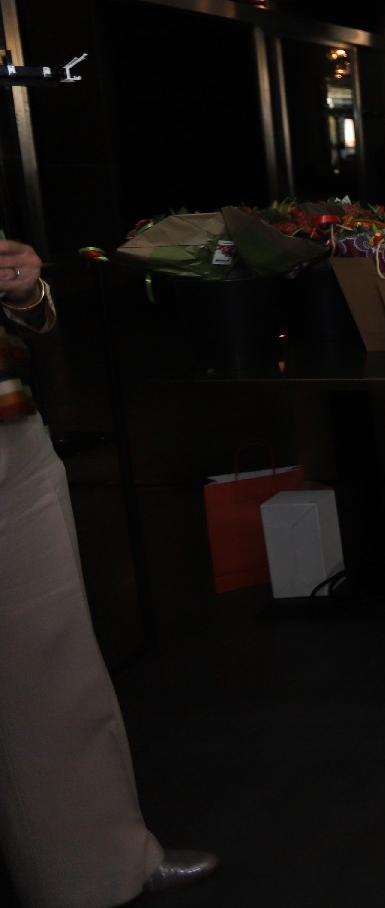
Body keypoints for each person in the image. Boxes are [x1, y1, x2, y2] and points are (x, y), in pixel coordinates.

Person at [0, 238, 219, 906]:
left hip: (11, 431)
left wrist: (25, 293)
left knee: (53, 669)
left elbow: (25, 317)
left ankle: (94, 871)